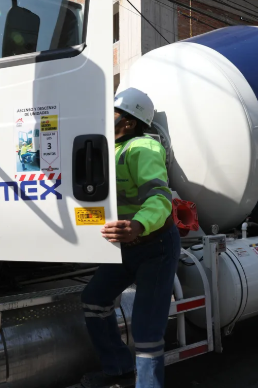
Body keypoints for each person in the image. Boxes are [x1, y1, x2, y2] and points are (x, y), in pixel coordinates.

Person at [81, 88, 181, 388]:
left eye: (112, 112)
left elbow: (160, 197)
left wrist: (138, 225)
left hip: (155, 246)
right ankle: (118, 369)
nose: (104, 117)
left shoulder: (143, 148)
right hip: (124, 246)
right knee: (94, 300)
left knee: (147, 329)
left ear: (129, 122)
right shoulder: (104, 147)